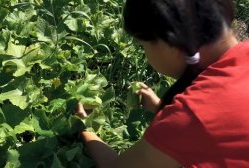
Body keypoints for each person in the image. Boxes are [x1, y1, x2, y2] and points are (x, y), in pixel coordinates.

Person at [77, 0, 249, 167]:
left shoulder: (192, 115)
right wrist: (162, 110)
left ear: (169, 45)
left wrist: (85, 126)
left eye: (143, 46)